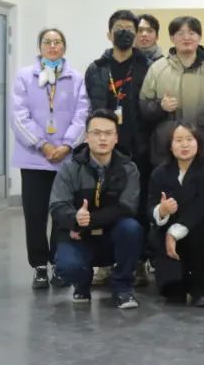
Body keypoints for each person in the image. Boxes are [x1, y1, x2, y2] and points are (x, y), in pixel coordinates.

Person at [11, 28, 89, 289]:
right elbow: (19, 116)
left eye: (57, 42)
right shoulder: (24, 76)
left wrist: (67, 146)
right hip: (34, 158)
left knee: (62, 215)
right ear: (40, 46)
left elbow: (82, 115)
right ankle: (39, 266)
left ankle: (59, 263)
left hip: (65, 160)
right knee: (35, 215)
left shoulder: (76, 78)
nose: (53, 46)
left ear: (64, 47)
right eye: (47, 42)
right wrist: (42, 144)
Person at [49, 109, 145, 308]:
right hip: (78, 238)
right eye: (97, 133)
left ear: (116, 138)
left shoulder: (129, 168)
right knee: (67, 267)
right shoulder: (70, 168)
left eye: (108, 133)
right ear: (86, 137)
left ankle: (122, 288)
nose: (102, 138)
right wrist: (75, 218)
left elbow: (127, 207)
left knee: (132, 229)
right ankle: (82, 283)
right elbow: (58, 206)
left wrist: (87, 223)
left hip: (109, 237)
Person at [84, 10, 153, 288]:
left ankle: (138, 263)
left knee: (138, 207)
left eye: (129, 29)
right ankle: (104, 263)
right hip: (104, 150)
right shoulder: (96, 68)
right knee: (104, 205)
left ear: (136, 35)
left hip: (139, 149)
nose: (124, 33)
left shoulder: (147, 66)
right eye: (119, 28)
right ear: (109, 33)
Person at [148, 122, 204, 306]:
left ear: (198, 143)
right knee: (173, 293)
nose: (184, 145)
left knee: (202, 233)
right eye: (178, 140)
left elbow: (202, 206)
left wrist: (174, 233)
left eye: (189, 139)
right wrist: (162, 210)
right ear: (170, 146)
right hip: (169, 229)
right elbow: (150, 206)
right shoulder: (159, 173)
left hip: (200, 229)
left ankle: (201, 290)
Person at [140, 16, 204, 166]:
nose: (186, 37)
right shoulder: (158, 68)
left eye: (192, 33)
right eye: (180, 33)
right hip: (166, 148)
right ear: (172, 38)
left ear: (199, 37)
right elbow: (144, 107)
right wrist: (160, 106)